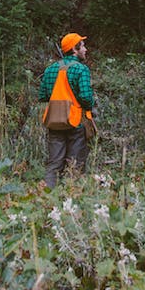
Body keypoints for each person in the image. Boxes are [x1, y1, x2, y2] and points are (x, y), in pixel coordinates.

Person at [39, 32, 95, 189]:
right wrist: (89, 106)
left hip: (54, 122)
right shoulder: (81, 69)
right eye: (82, 46)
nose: (85, 49)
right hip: (75, 122)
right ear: (75, 49)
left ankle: (47, 198)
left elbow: (43, 96)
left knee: (54, 164)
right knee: (75, 165)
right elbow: (85, 97)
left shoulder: (50, 69)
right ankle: (72, 199)